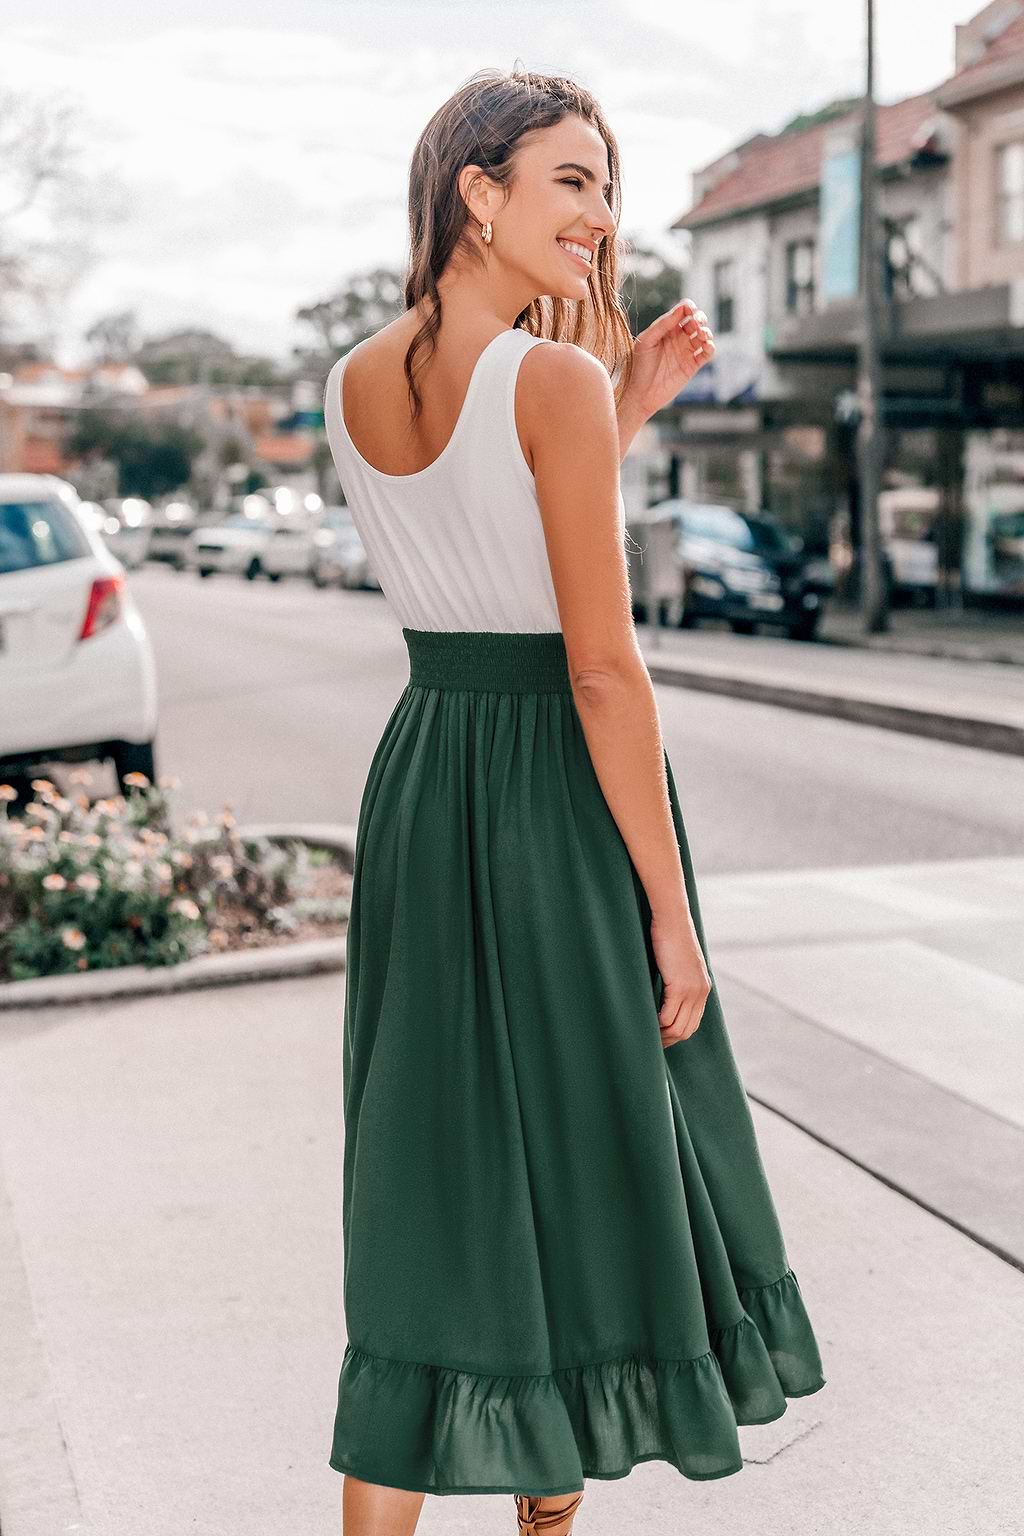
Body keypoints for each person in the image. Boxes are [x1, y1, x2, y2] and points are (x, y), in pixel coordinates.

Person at [322, 65, 826, 1536]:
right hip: (553, 786)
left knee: (441, 1162)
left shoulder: (356, 377)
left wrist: (619, 410)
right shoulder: (549, 383)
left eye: (607, 187)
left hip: (429, 775)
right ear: (479, 194)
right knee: (590, 1163)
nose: (602, 221)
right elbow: (602, 669)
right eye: (572, 182)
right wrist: (671, 914)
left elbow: (478, 526)